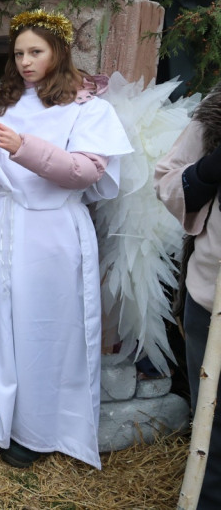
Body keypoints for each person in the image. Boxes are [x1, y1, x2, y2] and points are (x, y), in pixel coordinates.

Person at [0, 9, 132, 469]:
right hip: (1, 225)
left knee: (46, 328)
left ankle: (37, 429)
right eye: (19, 53)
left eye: (36, 51)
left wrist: (21, 147)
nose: (26, 61)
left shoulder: (87, 107)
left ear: (59, 51)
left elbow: (84, 173)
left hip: (51, 231)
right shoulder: (1, 102)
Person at [154, 81, 221, 509]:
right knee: (211, 426)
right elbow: (167, 182)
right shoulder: (217, 112)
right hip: (211, 299)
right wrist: (211, 166)